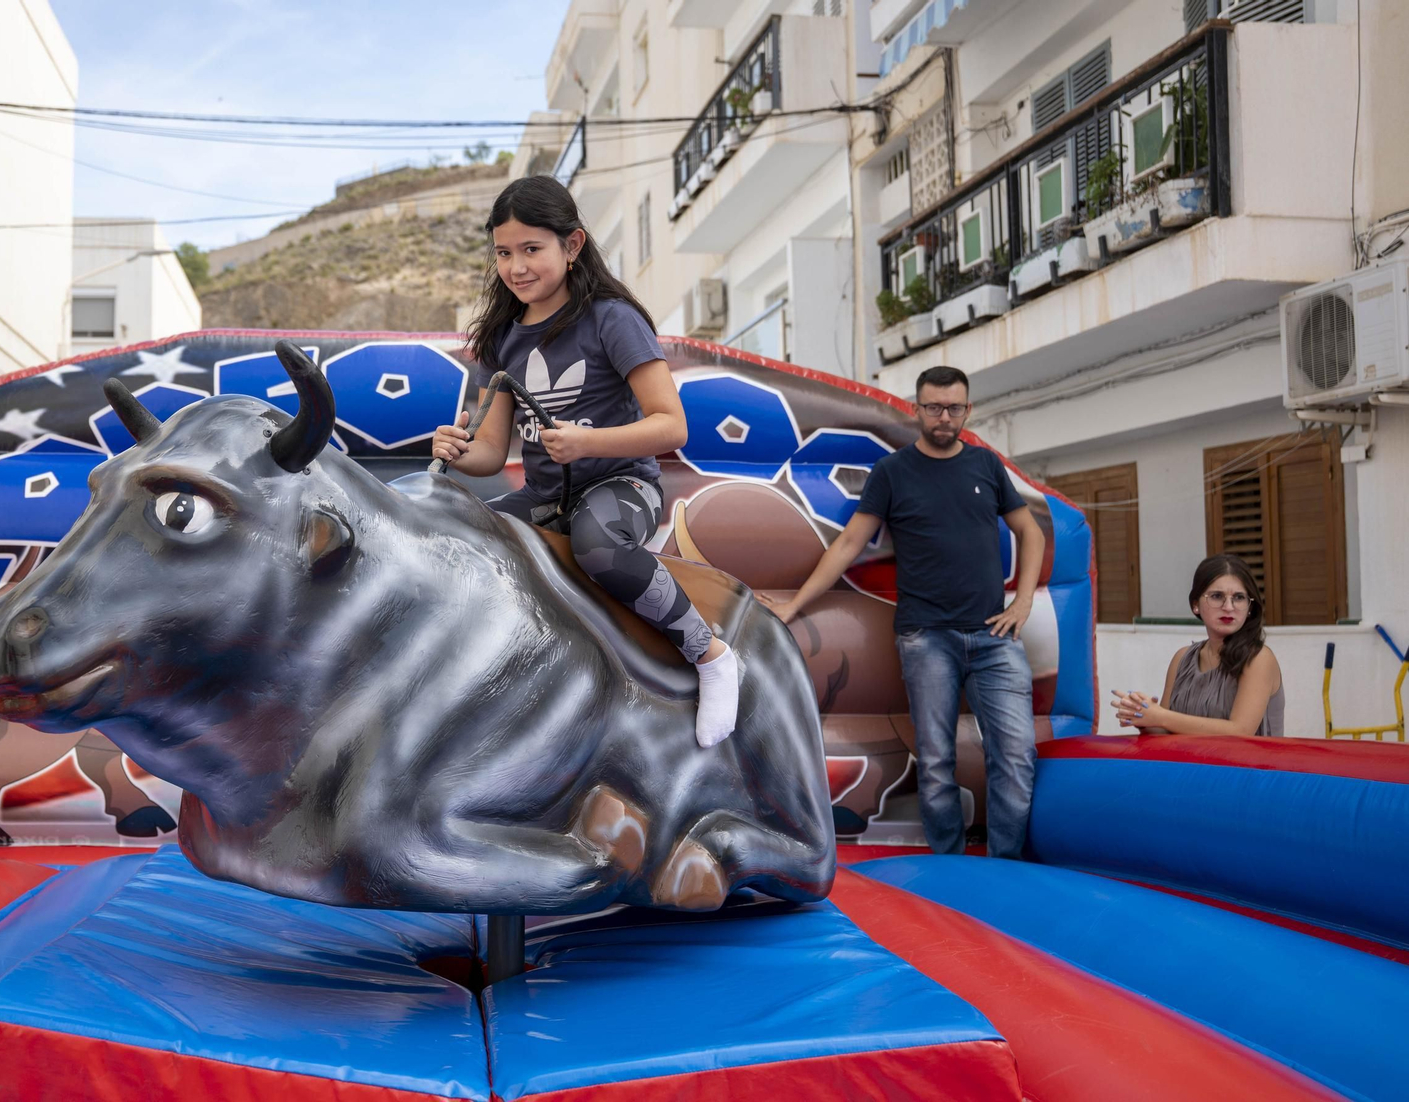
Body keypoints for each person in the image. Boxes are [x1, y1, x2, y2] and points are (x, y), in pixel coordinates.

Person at [431, 176, 738, 749]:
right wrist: (457, 449)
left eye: (531, 250)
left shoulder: (611, 318)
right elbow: (493, 451)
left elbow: (672, 425)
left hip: (623, 485)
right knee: (455, 533)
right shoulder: (500, 338)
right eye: (503, 252)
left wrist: (589, 444)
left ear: (572, 247)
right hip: (548, 498)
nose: (516, 266)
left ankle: (711, 654)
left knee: (600, 544)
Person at [761, 365, 1045, 859]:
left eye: (954, 408)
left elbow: (1031, 531)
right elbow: (849, 543)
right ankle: (950, 867)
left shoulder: (986, 465)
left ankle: (1006, 867)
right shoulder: (893, 472)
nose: (943, 417)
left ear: (967, 410)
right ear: (916, 409)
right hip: (926, 639)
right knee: (936, 764)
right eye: (933, 407)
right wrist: (794, 604)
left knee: (1016, 756)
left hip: (994, 638)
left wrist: (1022, 601)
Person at [1111, 554, 1284, 737]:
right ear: (1195, 605)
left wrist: (1160, 716)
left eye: (1239, 597)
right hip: (1190, 765)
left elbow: (1240, 731)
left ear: (1249, 608)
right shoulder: (1182, 658)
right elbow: (1164, 731)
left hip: (1246, 766)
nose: (1228, 606)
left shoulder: (1259, 658)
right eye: (1217, 596)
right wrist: (1141, 714)